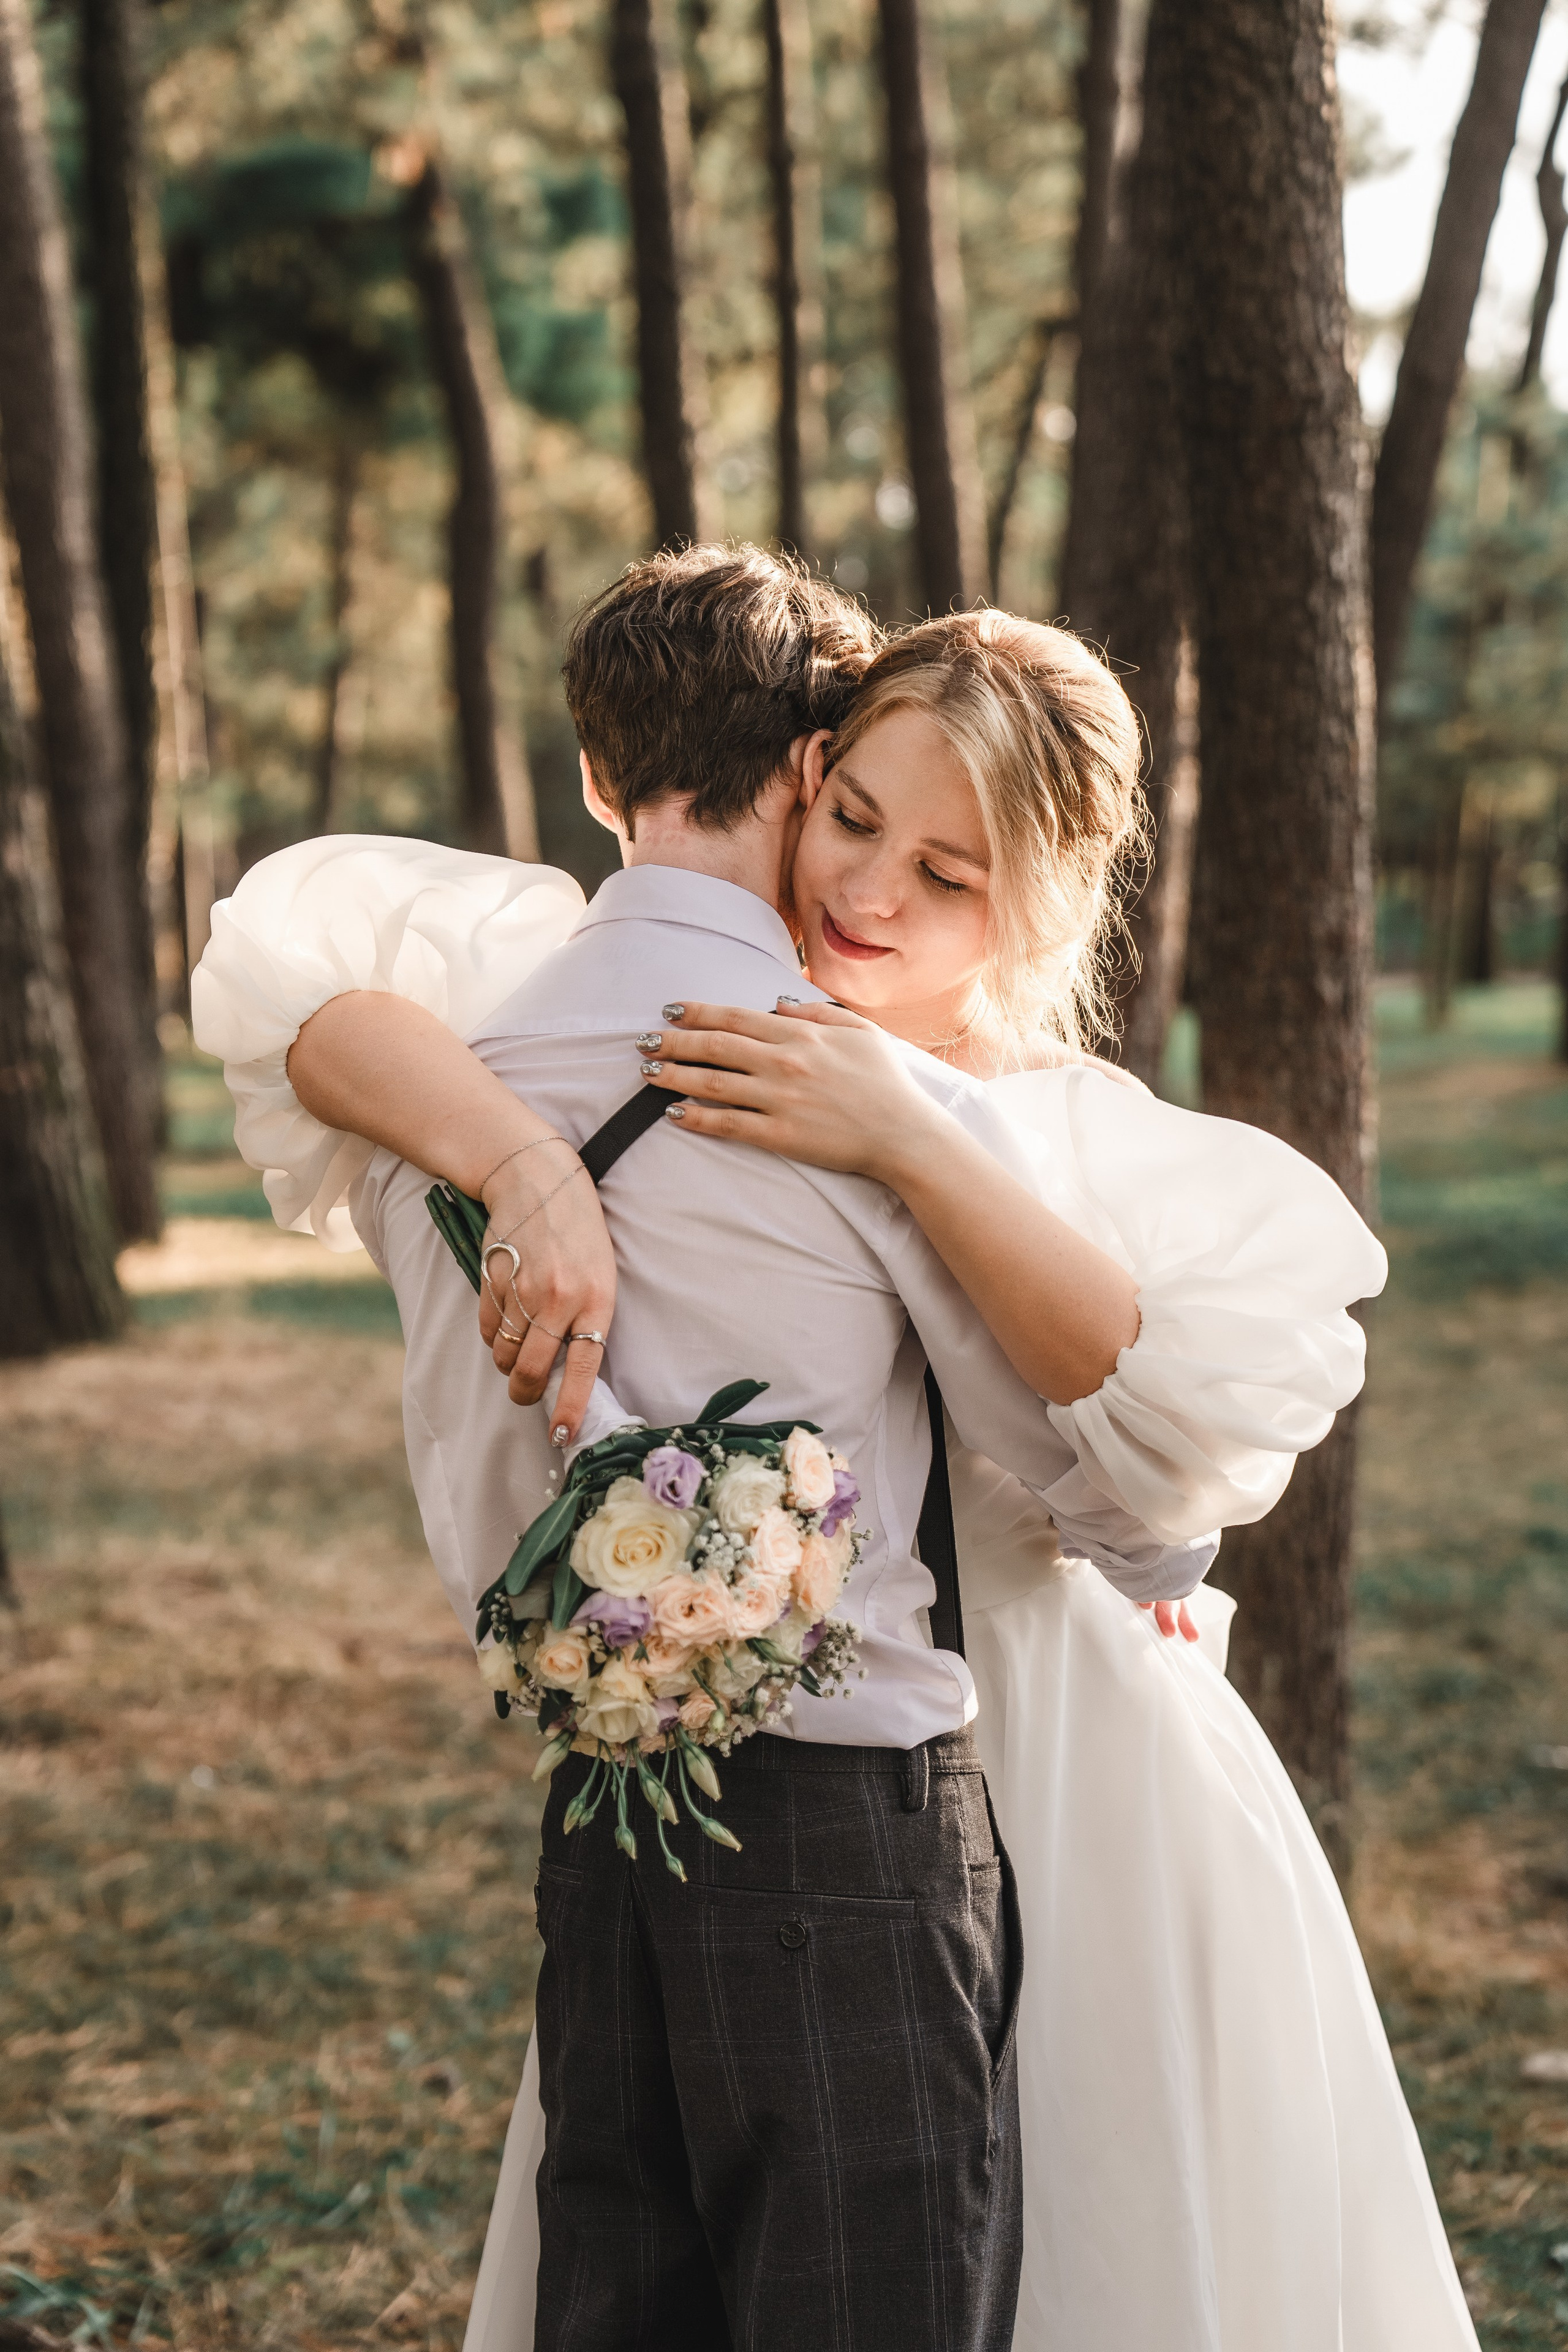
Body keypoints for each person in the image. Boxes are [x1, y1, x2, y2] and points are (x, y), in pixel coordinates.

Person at [194, 551, 1476, 2352]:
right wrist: (519, 1161)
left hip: (1050, 1752)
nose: (867, 892)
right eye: (857, 817)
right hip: (790, 1769)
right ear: (803, 771)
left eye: (944, 875)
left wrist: (910, 1137)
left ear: (1031, 910)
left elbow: (1153, 1486)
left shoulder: (1034, 1134)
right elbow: (314, 1008)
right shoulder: (670, 1014)